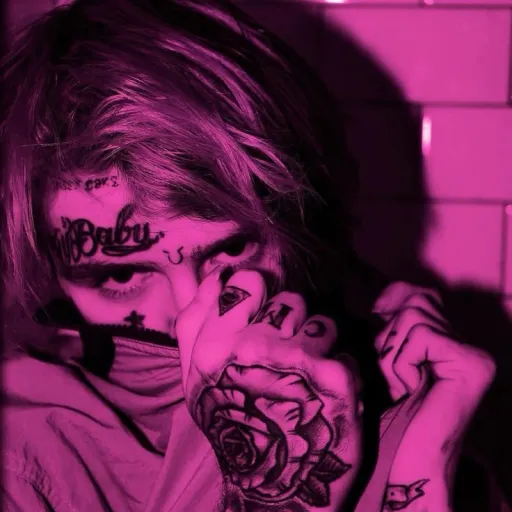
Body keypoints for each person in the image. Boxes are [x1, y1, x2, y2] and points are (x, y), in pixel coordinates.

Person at [0, 1, 500, 511]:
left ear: (300, 223)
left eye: (232, 249)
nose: (189, 315)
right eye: (123, 275)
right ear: (50, 274)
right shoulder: (19, 467)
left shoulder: (396, 396)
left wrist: (423, 465)